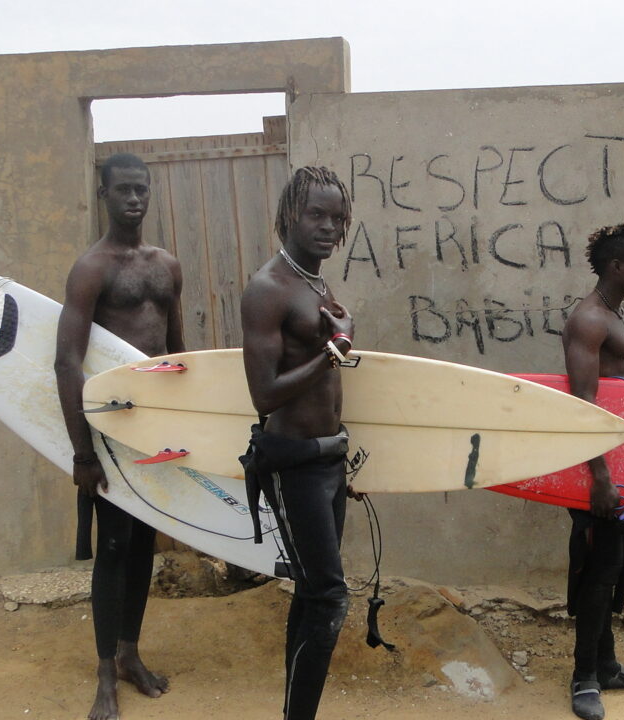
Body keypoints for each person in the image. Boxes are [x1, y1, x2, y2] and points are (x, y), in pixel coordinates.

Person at [55, 153, 184, 720]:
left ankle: (130, 654)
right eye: (123, 190)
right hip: (109, 429)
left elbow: (178, 354)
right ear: (103, 193)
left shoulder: (166, 265)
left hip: (154, 429)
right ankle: (105, 673)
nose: (134, 199)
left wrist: (185, 427)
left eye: (142, 189)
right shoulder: (92, 268)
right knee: (112, 547)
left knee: (141, 548)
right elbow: (66, 362)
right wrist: (82, 452)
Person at [239, 166, 356, 720]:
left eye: (337, 217)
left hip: (329, 458)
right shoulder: (268, 289)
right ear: (289, 214)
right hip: (294, 466)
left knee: (313, 594)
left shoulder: (316, 282)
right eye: (317, 215)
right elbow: (264, 394)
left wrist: (336, 340)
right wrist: (336, 349)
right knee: (330, 598)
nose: (329, 227)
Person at [562, 222, 624, 720]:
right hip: (596, 466)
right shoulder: (588, 320)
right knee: (597, 571)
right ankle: (585, 677)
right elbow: (584, 402)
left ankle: (609, 665)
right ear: (617, 267)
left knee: (620, 565)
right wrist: (598, 475)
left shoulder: (617, 314)